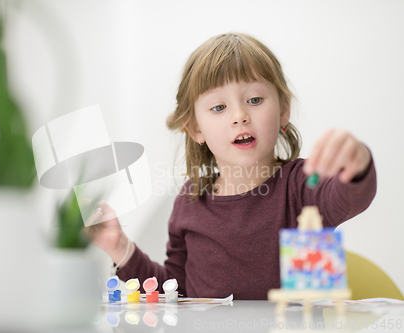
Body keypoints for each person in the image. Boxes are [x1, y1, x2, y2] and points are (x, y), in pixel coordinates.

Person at [82, 32, 377, 300]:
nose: (239, 115)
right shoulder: (189, 201)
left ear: (283, 109)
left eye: (255, 99)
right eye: (219, 107)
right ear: (195, 128)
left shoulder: (303, 186)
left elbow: (349, 195)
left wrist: (357, 164)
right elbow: (175, 293)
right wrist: (120, 247)